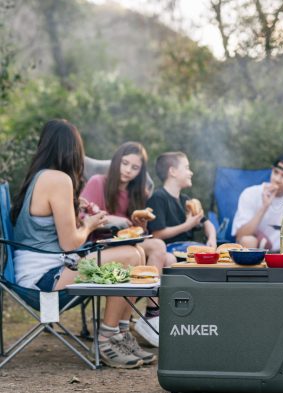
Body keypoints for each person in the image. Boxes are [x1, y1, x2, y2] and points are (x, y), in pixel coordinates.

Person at [11, 119, 153, 368]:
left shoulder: (42, 177)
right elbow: (69, 243)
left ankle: (120, 334)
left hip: (45, 269)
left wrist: (77, 211)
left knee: (138, 252)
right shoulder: (58, 180)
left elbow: (54, 232)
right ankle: (107, 340)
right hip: (44, 278)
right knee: (130, 256)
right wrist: (90, 225)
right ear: (72, 149)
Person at [80, 141, 175, 349]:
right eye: (124, 163)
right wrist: (114, 220)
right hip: (99, 247)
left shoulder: (137, 192)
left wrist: (140, 225)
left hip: (130, 246)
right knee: (158, 247)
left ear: (140, 172)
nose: (128, 170)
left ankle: (135, 322)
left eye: (134, 167)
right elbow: (81, 217)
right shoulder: (98, 182)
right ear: (116, 162)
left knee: (168, 258)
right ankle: (150, 317)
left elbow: (139, 233)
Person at [146, 151, 217, 251]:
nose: (191, 173)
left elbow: (206, 223)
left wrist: (212, 238)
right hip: (169, 251)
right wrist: (187, 226)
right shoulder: (158, 198)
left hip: (188, 249)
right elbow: (157, 234)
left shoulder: (186, 200)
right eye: (187, 168)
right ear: (173, 171)